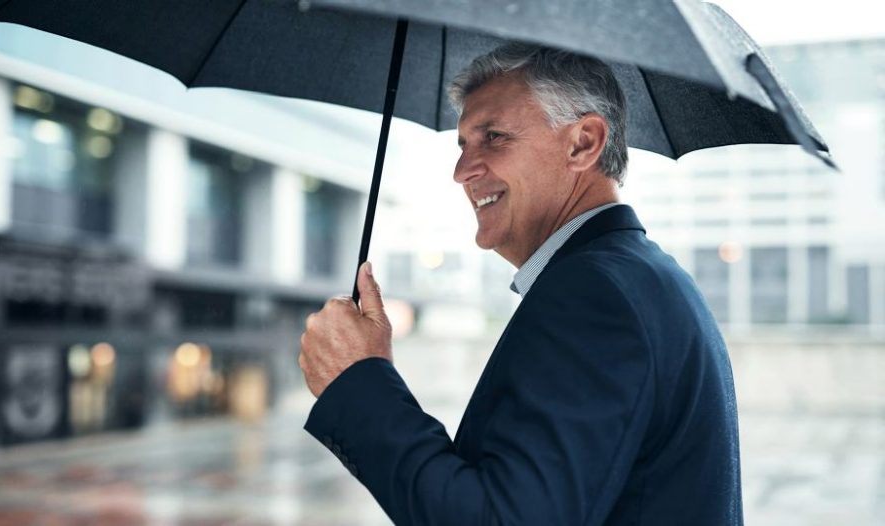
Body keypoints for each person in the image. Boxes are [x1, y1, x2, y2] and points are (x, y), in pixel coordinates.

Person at [299, 43, 743, 525]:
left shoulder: (594, 296)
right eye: (463, 145)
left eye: (493, 137)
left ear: (583, 143)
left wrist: (359, 382)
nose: (461, 171)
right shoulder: (637, 278)